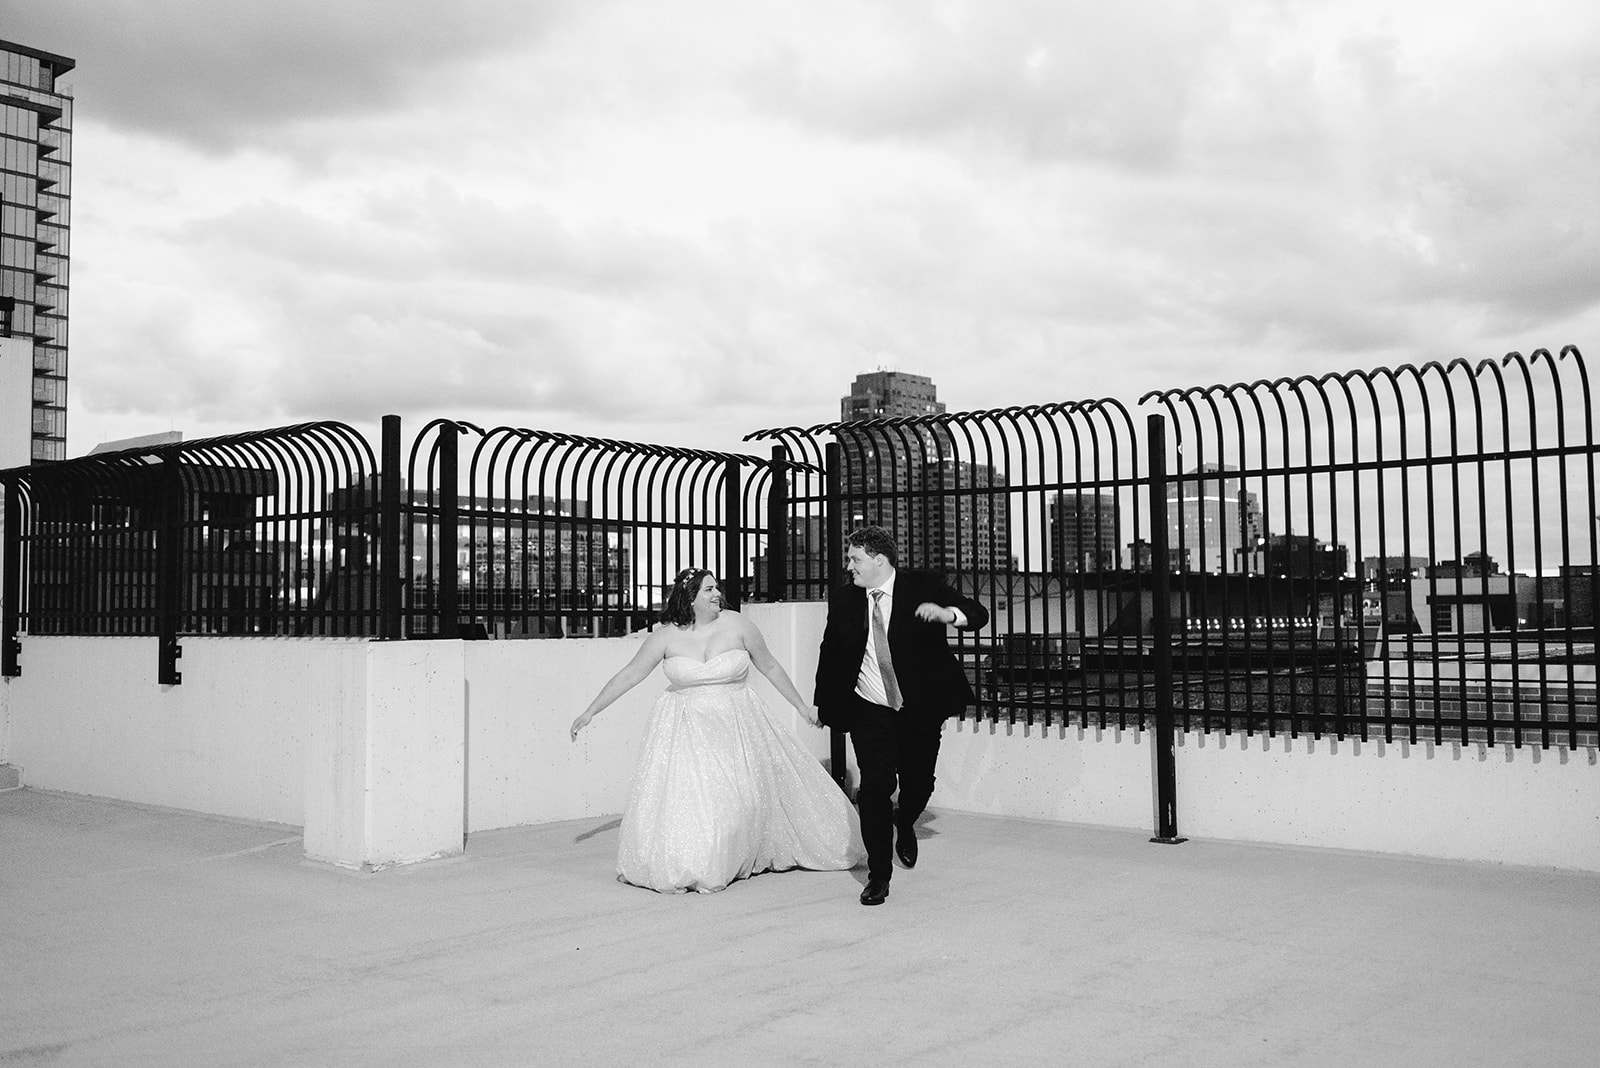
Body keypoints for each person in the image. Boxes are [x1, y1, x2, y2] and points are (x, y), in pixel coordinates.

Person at [571, 568, 864, 893]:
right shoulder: (665, 636)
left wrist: (802, 706)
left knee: (739, 801)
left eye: (717, 588)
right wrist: (591, 711)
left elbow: (769, 666)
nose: (717, 595)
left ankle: (736, 854)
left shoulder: (738, 625)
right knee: (698, 801)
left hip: (737, 723)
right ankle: (701, 861)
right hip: (684, 728)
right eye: (709, 589)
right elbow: (629, 675)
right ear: (689, 597)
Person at [814, 526, 988, 906]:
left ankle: (905, 820)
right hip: (869, 708)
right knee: (875, 787)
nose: (849, 567)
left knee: (918, 782)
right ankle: (878, 875)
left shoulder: (924, 586)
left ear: (880, 559)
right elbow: (831, 653)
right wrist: (823, 706)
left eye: (855, 558)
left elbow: (979, 614)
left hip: (919, 706)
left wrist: (948, 614)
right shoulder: (845, 600)